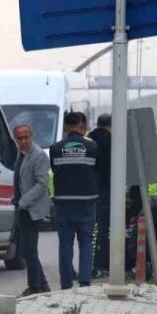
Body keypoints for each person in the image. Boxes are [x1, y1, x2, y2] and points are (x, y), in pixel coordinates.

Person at [50, 111, 99, 289]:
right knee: (86, 242)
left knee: (65, 244)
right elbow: (98, 171)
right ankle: (85, 281)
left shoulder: (55, 148)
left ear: (64, 127)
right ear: (83, 126)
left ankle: (66, 282)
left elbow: (55, 170)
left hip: (63, 203)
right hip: (87, 202)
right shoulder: (92, 147)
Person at [13, 123, 52, 296]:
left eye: (26, 137)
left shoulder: (39, 155)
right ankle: (42, 283)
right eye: (19, 138)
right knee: (27, 248)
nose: (23, 141)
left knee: (29, 249)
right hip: (22, 207)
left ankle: (35, 286)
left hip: (32, 209)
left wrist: (23, 201)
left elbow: (42, 184)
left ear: (32, 136)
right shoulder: (21, 155)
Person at [87, 113, 112, 278]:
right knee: (103, 230)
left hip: (88, 191)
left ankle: (88, 265)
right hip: (105, 191)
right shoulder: (111, 141)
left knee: (89, 231)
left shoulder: (87, 141)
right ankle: (99, 265)